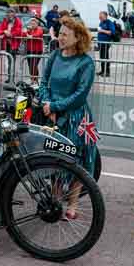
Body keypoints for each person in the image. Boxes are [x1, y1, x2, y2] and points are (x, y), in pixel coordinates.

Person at [38, 16, 97, 219]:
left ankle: (72, 205)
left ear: (78, 37)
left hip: (77, 117)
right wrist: (47, 104)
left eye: (65, 34)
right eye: (60, 33)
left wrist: (55, 106)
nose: (60, 37)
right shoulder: (55, 55)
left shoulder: (86, 62)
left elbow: (80, 94)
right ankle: (55, 202)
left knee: (78, 159)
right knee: (55, 158)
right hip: (52, 115)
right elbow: (43, 82)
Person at [0, 8, 23, 82]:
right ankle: (9, 77)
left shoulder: (18, 22)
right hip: (7, 44)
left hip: (14, 44)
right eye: (8, 13)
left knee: (12, 61)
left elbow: (18, 32)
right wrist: (5, 32)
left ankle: (13, 78)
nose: (10, 14)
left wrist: (9, 34)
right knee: (9, 61)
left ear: (14, 14)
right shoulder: (5, 21)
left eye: (11, 13)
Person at [24, 18, 44, 83]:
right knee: (30, 65)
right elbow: (23, 35)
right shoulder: (29, 30)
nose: (32, 25)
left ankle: (35, 79)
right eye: (31, 23)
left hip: (37, 50)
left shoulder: (39, 29)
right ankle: (32, 79)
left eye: (34, 23)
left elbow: (38, 34)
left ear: (37, 24)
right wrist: (26, 32)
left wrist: (31, 36)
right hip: (29, 49)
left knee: (34, 65)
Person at [97, 11, 115, 77]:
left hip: (106, 43)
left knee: (105, 57)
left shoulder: (109, 23)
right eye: (99, 16)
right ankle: (102, 71)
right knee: (102, 57)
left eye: (101, 16)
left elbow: (111, 32)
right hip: (100, 43)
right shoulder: (101, 22)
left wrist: (102, 31)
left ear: (105, 16)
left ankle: (107, 72)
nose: (100, 18)